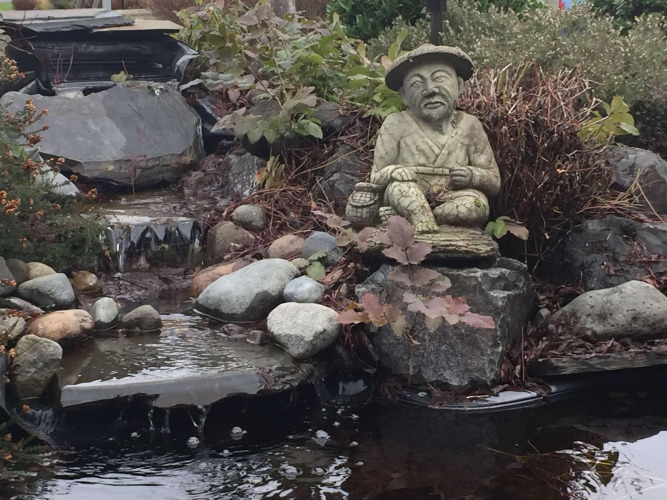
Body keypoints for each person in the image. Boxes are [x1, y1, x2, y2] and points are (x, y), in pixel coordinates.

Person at [358, 44, 501, 234]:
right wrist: (394, 172)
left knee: (475, 206)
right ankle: (420, 219)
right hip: (408, 194)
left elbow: (494, 180)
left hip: (452, 197)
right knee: (400, 189)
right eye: (417, 84)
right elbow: (376, 178)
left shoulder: (469, 125)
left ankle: (419, 218)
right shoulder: (396, 123)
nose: (430, 90)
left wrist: (472, 175)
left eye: (439, 78)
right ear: (404, 95)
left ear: (459, 86)